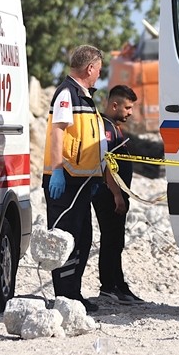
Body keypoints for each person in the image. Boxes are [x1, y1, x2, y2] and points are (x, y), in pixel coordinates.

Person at [42, 45, 107, 313]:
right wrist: (57, 170)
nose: (99, 77)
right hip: (65, 181)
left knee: (82, 238)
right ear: (90, 68)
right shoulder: (67, 94)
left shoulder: (84, 97)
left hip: (81, 181)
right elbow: (59, 132)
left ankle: (74, 294)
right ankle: (65, 296)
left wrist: (93, 177)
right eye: (99, 71)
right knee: (64, 239)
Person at [93, 84, 146, 305]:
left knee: (116, 240)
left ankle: (118, 283)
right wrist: (116, 194)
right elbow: (106, 165)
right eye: (127, 107)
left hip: (116, 195)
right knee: (111, 239)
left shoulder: (113, 127)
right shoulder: (105, 128)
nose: (130, 112)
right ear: (114, 105)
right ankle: (110, 286)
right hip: (108, 195)